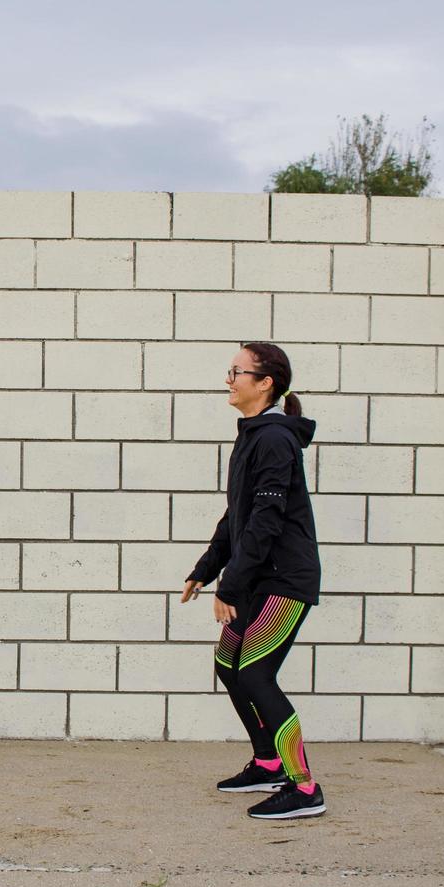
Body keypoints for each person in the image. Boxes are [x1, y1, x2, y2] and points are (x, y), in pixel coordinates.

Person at [180, 342, 324, 819]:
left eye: (237, 371)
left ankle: (304, 788)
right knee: (229, 664)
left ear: (265, 383)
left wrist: (231, 587)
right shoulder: (254, 436)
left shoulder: (275, 438)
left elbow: (266, 519)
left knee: (257, 676)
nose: (229, 379)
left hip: (283, 581)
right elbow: (237, 515)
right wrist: (205, 570)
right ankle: (267, 762)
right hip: (259, 578)